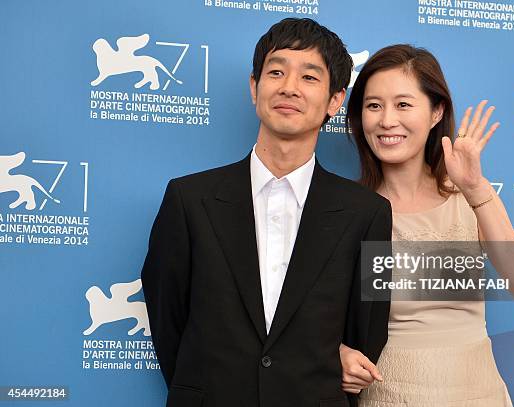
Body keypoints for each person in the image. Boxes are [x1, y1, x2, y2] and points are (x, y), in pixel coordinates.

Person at [140, 18, 392, 407]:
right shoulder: (189, 199)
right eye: (276, 71)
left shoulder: (367, 213)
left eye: (309, 77)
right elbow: (166, 317)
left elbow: (366, 334)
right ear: (255, 87)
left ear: (335, 101)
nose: (289, 87)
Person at [339, 44, 514, 406]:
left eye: (403, 104)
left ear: (436, 112)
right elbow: (316, 317)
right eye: (373, 105)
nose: (387, 120)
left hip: (479, 394)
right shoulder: (349, 210)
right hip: (390, 394)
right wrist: (337, 353)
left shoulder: (470, 196)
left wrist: (476, 189)